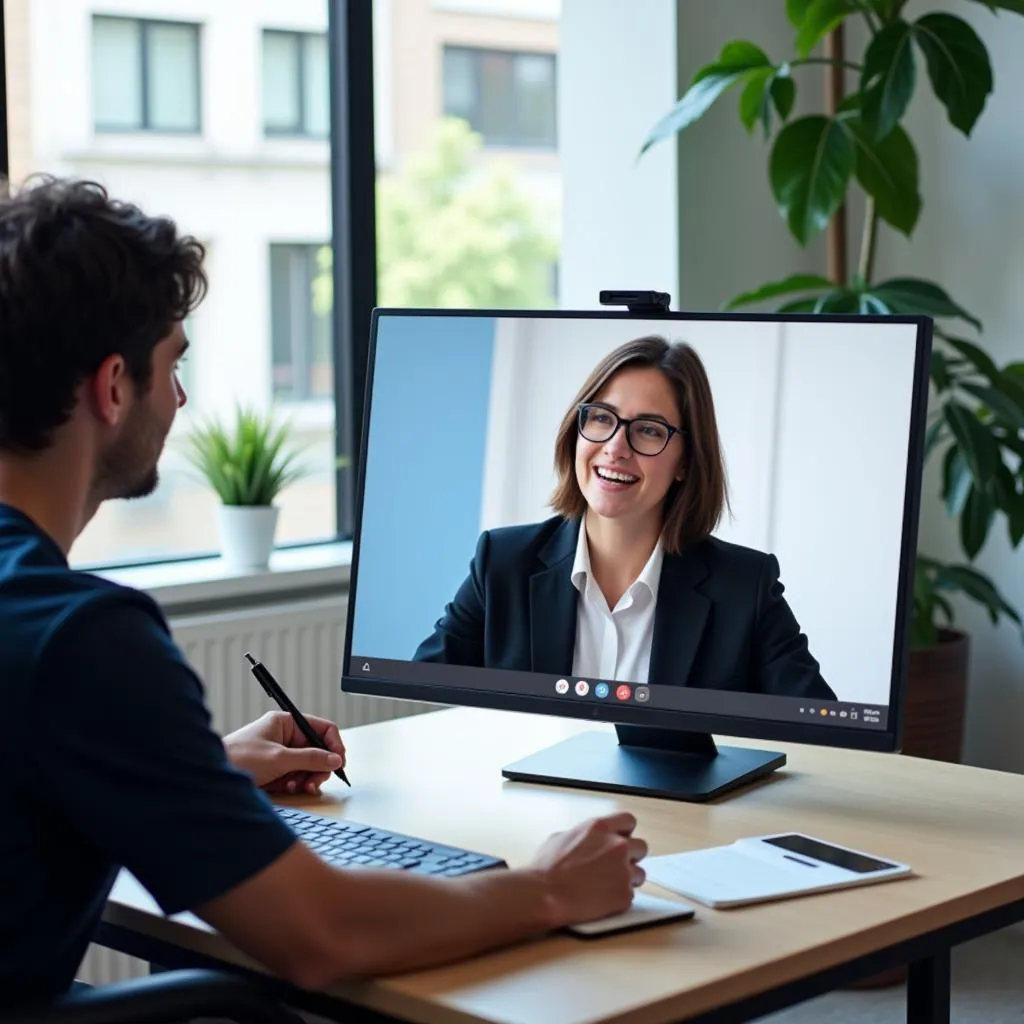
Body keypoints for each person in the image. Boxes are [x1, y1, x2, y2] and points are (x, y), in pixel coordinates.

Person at [0, 176, 648, 1006]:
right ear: (114, 385)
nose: (181, 398)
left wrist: (202, 768)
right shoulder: (81, 639)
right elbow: (320, 934)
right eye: (173, 367)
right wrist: (552, 888)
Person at [415, 335, 836, 702]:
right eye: (601, 418)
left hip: (676, 796)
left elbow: (824, 727)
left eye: (649, 430)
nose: (616, 447)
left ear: (686, 462)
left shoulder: (745, 585)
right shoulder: (502, 561)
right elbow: (421, 689)